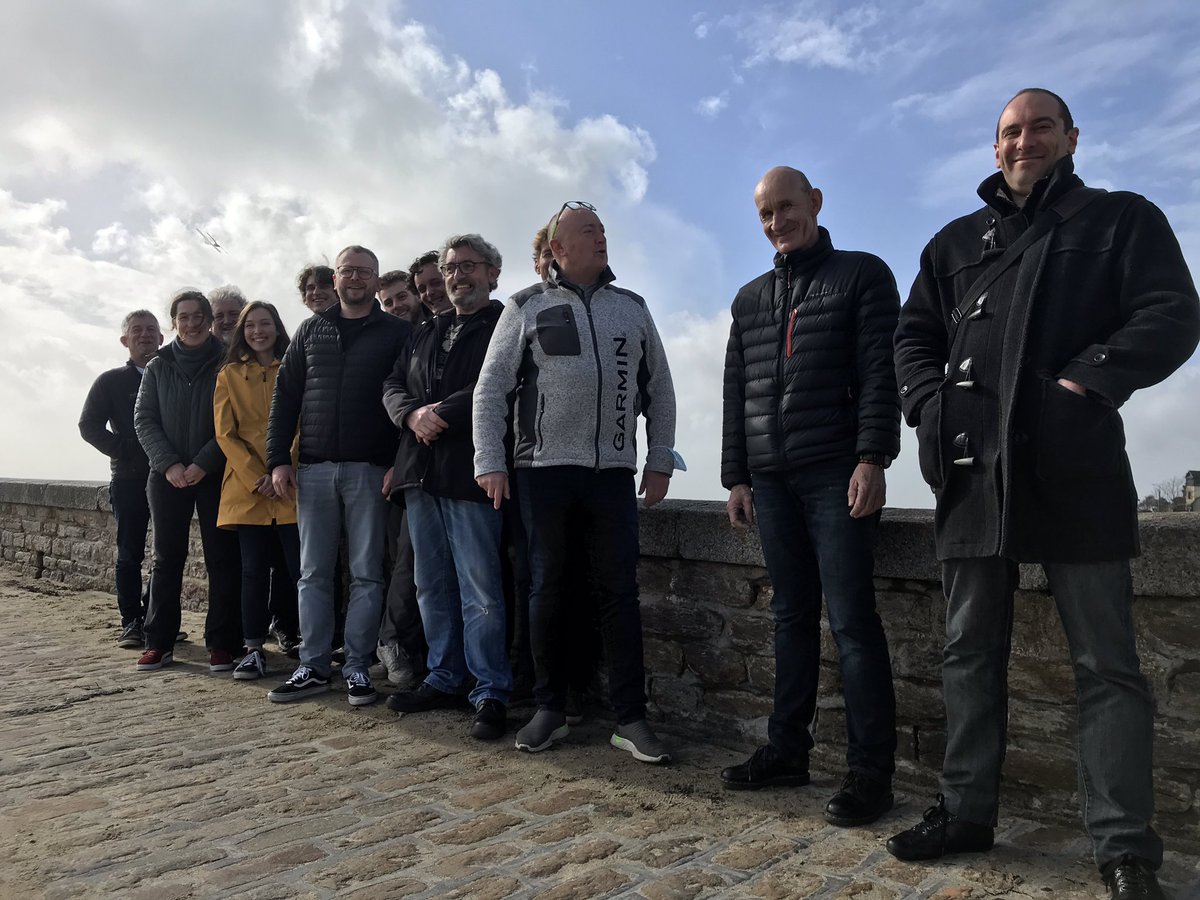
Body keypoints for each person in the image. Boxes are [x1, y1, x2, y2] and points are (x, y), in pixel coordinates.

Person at [889, 88, 1200, 900]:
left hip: (1076, 467)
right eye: (1009, 131)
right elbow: (912, 336)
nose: (1023, 140)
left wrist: (1082, 386)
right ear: (995, 149)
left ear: (1070, 137)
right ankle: (965, 811)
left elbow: (1172, 314)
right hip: (968, 469)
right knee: (966, 653)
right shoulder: (953, 243)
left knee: (1107, 664)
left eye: (1038, 127)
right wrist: (929, 407)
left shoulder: (1120, 218)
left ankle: (1126, 849)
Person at [718, 166, 901, 827]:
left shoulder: (863, 275)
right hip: (769, 480)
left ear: (816, 202)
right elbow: (736, 390)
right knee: (791, 619)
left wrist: (872, 457)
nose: (776, 222)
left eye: (786, 207)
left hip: (835, 474)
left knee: (853, 625)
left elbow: (884, 373)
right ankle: (786, 751)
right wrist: (734, 475)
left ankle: (869, 777)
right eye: (765, 213)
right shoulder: (748, 299)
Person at [474, 201, 680, 764]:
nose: (601, 237)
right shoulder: (525, 306)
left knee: (619, 592)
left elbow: (658, 388)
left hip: (612, 473)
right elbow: (490, 390)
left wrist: (659, 457)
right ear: (558, 249)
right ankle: (551, 708)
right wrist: (488, 461)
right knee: (548, 589)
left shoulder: (632, 308)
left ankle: (631, 718)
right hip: (541, 472)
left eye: (603, 230)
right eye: (588, 231)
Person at [266, 245, 411, 707]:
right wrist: (278, 460)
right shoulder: (310, 331)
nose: (355, 279)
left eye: (364, 273)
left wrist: (398, 464)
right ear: (335, 278)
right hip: (313, 467)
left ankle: (356, 668)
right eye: (347, 271)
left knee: (367, 573)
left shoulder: (397, 333)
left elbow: (408, 396)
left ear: (374, 280)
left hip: (371, 469)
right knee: (313, 573)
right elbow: (284, 400)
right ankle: (312, 665)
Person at [384, 234, 513, 740]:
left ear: (492, 274)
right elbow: (392, 385)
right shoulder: (423, 331)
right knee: (430, 585)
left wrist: (438, 413)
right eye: (451, 267)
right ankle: (445, 675)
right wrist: (412, 413)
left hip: (472, 469)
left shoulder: (506, 323)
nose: (458, 275)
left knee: (481, 590)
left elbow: (496, 382)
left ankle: (490, 689)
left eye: (469, 266)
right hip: (420, 471)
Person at [133, 291, 241, 672]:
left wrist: (202, 463)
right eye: (184, 317)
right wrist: (169, 465)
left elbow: (234, 419)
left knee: (222, 559)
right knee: (166, 559)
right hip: (166, 477)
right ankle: (159, 642)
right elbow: (144, 419)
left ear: (209, 319)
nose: (192, 323)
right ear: (174, 321)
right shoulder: (158, 364)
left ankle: (223, 643)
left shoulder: (228, 360)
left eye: (199, 316)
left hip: (214, 475)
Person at [213, 302, 300, 681]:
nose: (258, 331)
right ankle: (252, 648)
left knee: (301, 570)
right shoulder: (228, 375)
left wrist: (285, 466)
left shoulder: (296, 368)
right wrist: (257, 475)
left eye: (265, 323)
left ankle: (307, 642)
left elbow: (304, 422)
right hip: (248, 489)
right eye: (251, 325)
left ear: (277, 328)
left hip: (292, 484)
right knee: (252, 572)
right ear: (241, 331)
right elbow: (224, 434)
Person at [79, 310, 164, 648]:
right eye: (137, 330)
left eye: (151, 330)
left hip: (171, 478)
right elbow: (89, 426)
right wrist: (125, 449)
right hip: (129, 479)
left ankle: (156, 619)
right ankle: (131, 621)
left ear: (162, 337)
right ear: (125, 340)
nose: (145, 335)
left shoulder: (171, 374)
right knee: (130, 554)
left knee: (167, 555)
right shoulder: (111, 381)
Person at [409, 251, 453, 317]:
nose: (429, 292)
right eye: (422, 289)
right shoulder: (426, 327)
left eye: (435, 283)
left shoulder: (473, 322)